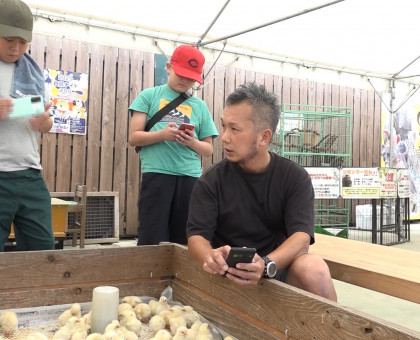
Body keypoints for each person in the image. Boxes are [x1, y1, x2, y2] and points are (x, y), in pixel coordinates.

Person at [186, 82, 337, 301]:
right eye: (223, 126)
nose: (225, 137)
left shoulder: (294, 177)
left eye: (234, 129)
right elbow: (197, 236)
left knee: (314, 267)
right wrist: (210, 256)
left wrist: (265, 265)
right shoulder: (211, 181)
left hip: (275, 270)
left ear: (264, 137)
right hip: (226, 275)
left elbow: (302, 237)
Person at [128, 44, 219, 246]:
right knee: (152, 235)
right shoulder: (148, 96)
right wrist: (162, 135)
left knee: (184, 237)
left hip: (190, 177)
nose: (185, 81)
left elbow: (208, 149)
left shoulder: (200, 106)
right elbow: (134, 137)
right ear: (168, 67)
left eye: (191, 78)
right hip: (157, 173)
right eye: (181, 74)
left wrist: (191, 141)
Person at [0, 0, 55, 251]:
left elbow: (46, 123)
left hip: (30, 172)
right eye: (9, 40)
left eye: (23, 42)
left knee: (43, 251)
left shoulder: (32, 71)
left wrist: (44, 123)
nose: (16, 48)